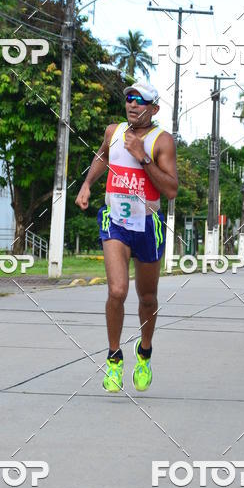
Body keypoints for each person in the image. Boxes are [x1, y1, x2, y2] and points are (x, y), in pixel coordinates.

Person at [75, 82, 178, 392]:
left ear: (154, 109)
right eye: (129, 99)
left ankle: (144, 352)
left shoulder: (162, 142)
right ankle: (114, 358)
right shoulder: (113, 131)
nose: (133, 105)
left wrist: (142, 157)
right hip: (115, 221)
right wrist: (87, 184)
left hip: (148, 225)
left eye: (140, 100)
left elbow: (171, 190)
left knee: (147, 297)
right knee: (117, 291)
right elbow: (102, 157)